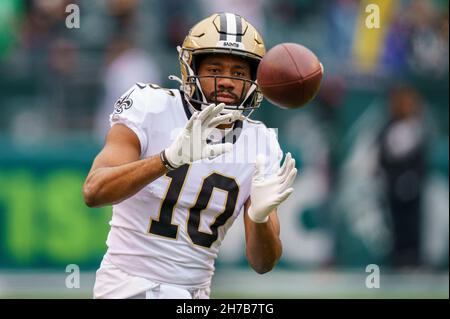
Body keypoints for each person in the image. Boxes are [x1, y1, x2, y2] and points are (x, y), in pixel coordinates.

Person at [83, 12, 297, 299]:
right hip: (129, 285)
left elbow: (263, 263)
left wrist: (259, 218)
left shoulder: (261, 143)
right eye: (215, 70)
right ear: (190, 70)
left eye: (238, 73)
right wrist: (167, 160)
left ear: (254, 80)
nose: (227, 82)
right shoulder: (152, 107)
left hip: (195, 293)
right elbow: (94, 191)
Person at [378, 84, 427, 268]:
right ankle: (398, 257)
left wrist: (414, 176)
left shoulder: (417, 127)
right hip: (394, 185)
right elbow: (383, 157)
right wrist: (394, 177)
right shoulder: (389, 128)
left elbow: (422, 158)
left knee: (414, 221)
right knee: (396, 222)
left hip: (413, 184)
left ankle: (413, 256)